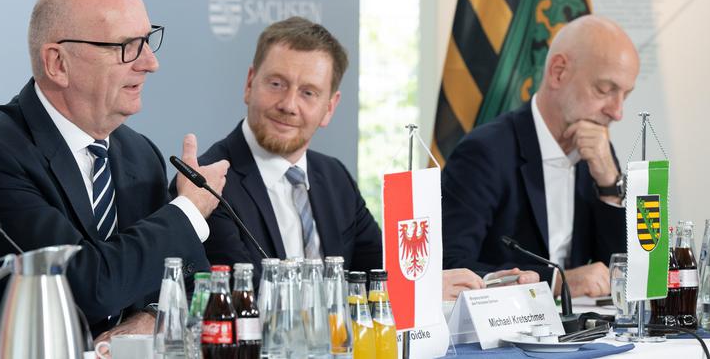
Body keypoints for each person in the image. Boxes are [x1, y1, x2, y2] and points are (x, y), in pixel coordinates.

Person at [0, 0, 229, 351]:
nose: (149, 63)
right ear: (57, 63)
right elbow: (84, 285)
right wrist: (189, 209)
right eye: (127, 46)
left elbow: (189, 282)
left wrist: (152, 316)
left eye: (148, 41)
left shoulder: (140, 154)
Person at [196, 17, 537, 298]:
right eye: (276, 84)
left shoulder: (334, 178)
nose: (289, 104)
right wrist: (419, 292)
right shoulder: (208, 182)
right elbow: (245, 296)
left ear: (329, 107)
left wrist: (483, 281)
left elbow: (381, 270)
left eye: (308, 92)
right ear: (249, 83)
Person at [441, 15, 639, 298]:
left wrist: (609, 183)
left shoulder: (599, 154)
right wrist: (557, 281)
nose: (617, 112)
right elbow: (449, 268)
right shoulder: (484, 152)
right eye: (605, 90)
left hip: (579, 332)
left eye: (625, 95)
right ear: (558, 72)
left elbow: (619, 272)